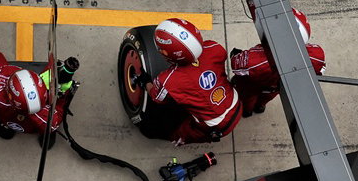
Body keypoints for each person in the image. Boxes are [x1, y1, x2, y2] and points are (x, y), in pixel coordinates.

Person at [138, 18, 241, 146]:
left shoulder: (169, 80)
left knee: (180, 135)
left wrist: (146, 81)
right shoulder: (214, 47)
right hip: (236, 103)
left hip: (216, 125)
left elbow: (157, 97)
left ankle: (177, 140)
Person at [229, 8, 326, 117]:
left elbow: (236, 66)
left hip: (252, 86)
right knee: (266, 98)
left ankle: (247, 112)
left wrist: (235, 54)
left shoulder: (253, 60)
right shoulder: (317, 55)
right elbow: (319, 72)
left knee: (248, 99)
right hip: (274, 89)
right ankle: (260, 107)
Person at [0, 50, 76, 144]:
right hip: (31, 126)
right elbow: (58, 113)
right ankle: (46, 137)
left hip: (4, 116)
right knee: (48, 131)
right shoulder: (46, 120)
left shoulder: (1, 76)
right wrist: (62, 97)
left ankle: (2, 125)